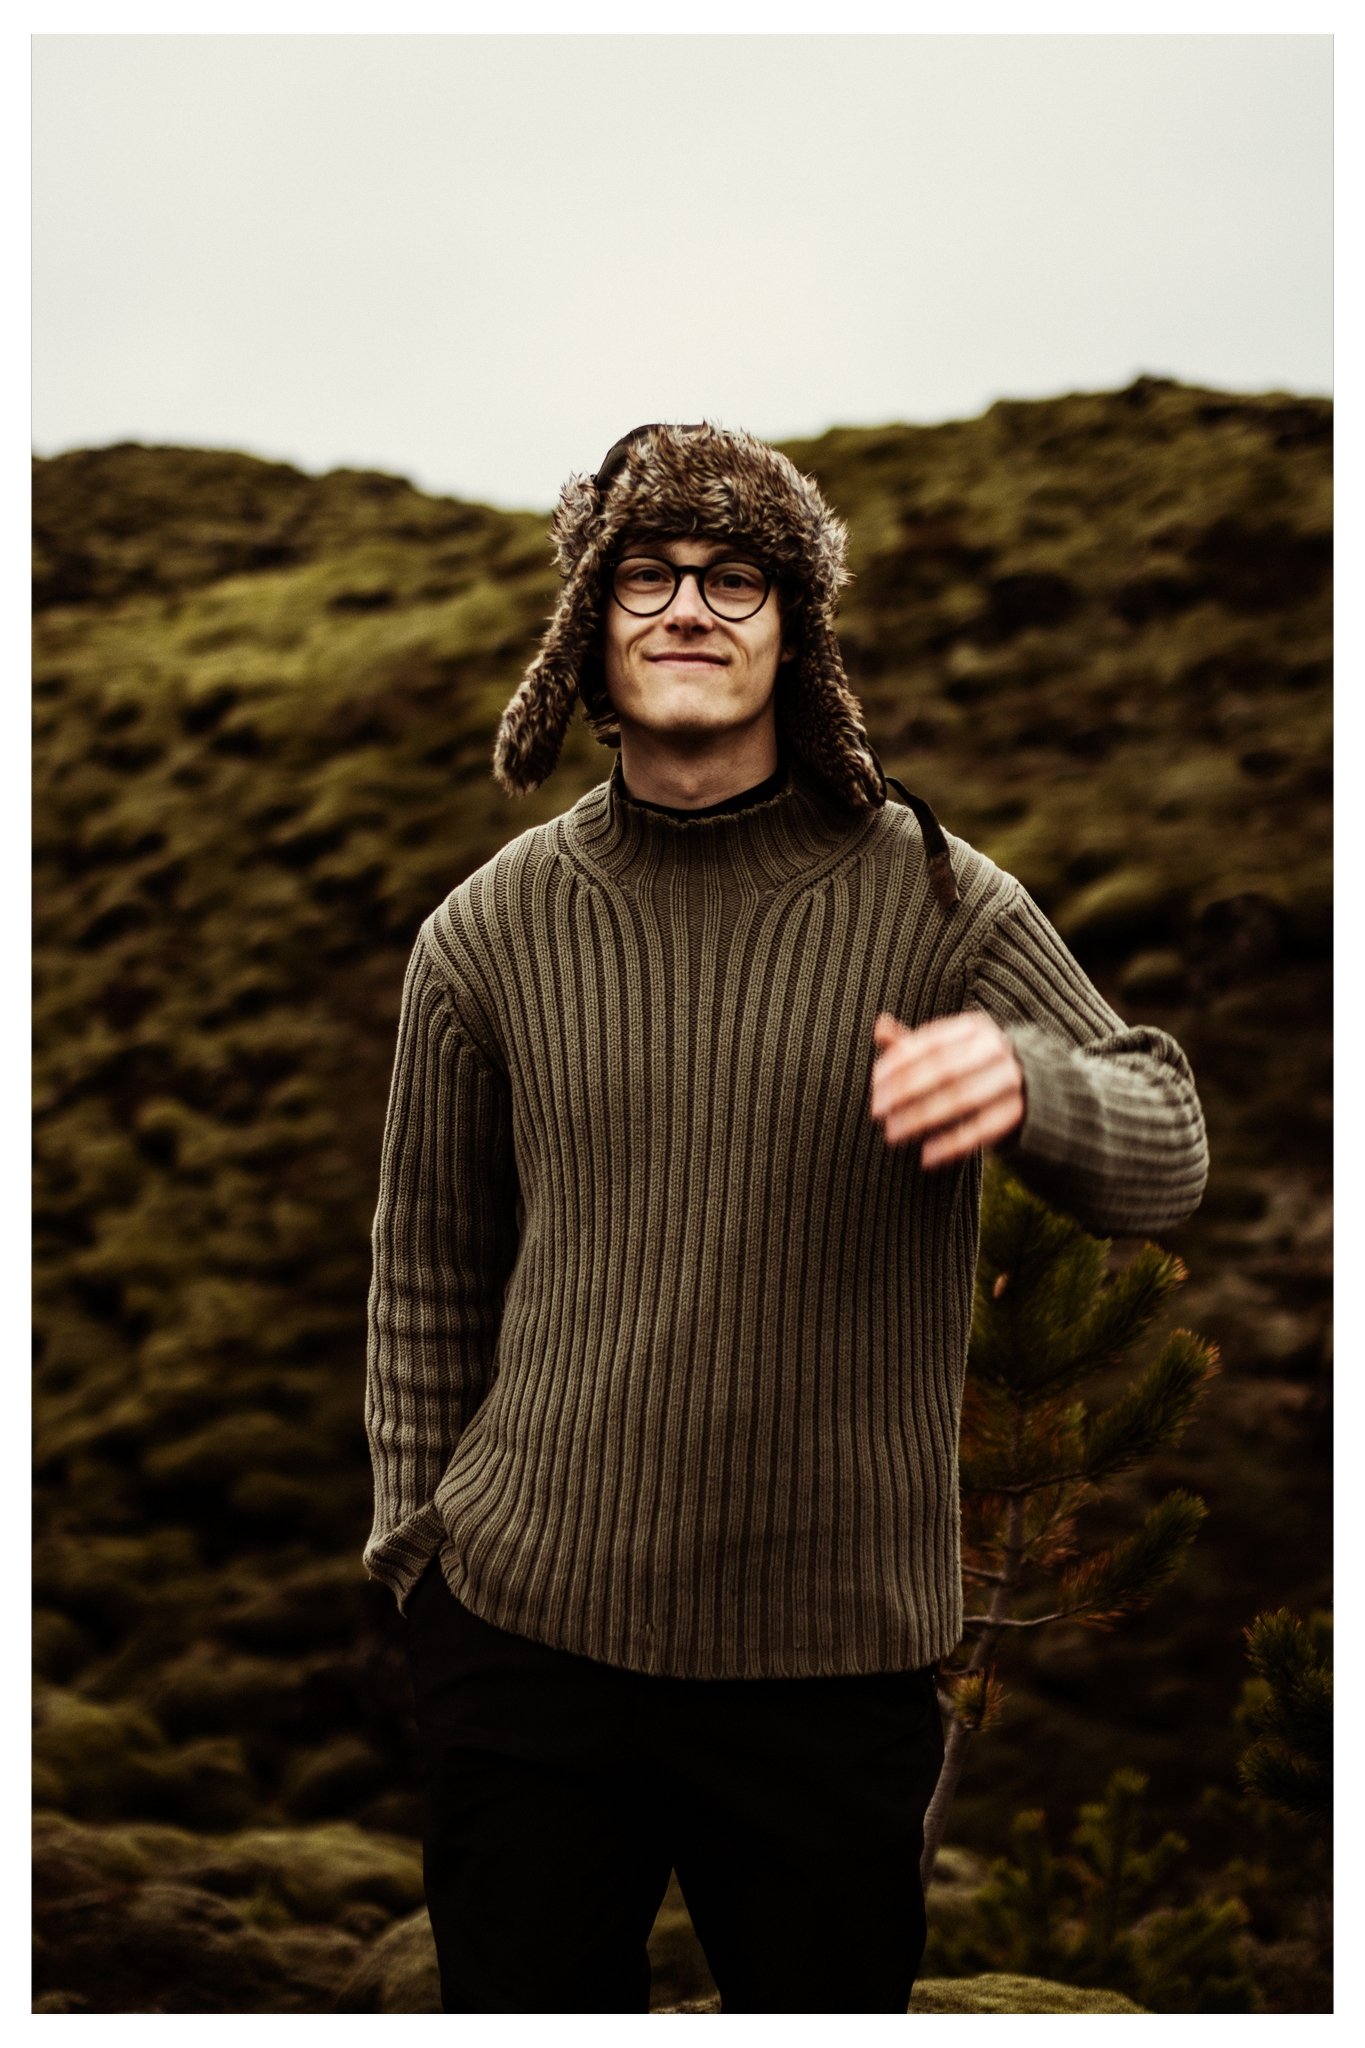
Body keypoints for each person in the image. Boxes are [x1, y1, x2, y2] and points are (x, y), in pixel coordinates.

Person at [363, 421, 1208, 2014]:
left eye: (736, 576)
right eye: (646, 575)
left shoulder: (938, 901)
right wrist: (418, 1565)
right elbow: (425, 1277)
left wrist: (1028, 1080)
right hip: (528, 1652)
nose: (689, 605)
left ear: (794, 628)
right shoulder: (485, 933)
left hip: (830, 1674)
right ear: (586, 629)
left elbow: (1165, 1150)